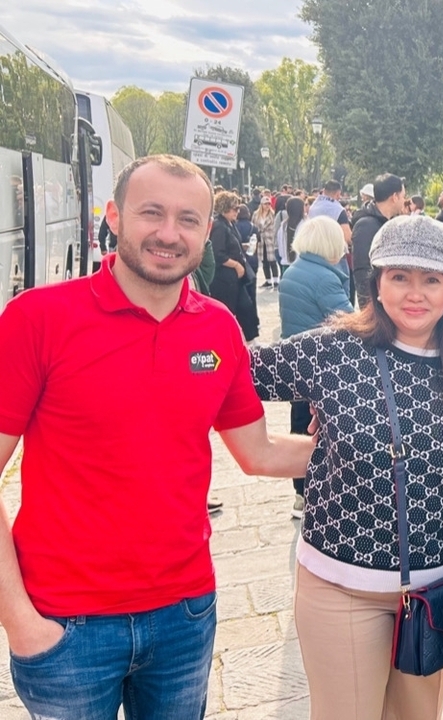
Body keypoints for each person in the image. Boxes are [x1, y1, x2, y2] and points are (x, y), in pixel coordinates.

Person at [0, 154, 314, 720]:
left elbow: (260, 453)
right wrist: (19, 620)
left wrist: (368, 447)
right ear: (115, 216)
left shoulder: (217, 327)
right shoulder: (37, 319)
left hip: (184, 615)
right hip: (64, 625)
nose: (169, 234)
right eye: (152, 213)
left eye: (189, 220)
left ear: (206, 231)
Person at [250, 214, 443, 720]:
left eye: (431, 279)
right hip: (341, 588)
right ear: (376, 282)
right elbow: (237, 375)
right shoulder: (333, 350)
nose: (415, 293)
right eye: (399, 276)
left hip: (432, 596)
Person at [276, 216, 354, 519]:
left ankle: (300, 494)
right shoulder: (324, 277)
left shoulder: (294, 271)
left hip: (297, 364)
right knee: (320, 430)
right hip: (322, 365)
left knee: (298, 425)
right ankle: (321, 489)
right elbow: (348, 320)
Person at [209, 191, 260, 341]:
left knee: (246, 308)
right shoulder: (219, 225)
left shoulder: (229, 224)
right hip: (225, 278)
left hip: (235, 279)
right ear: (225, 208)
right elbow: (217, 253)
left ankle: (247, 340)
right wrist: (236, 265)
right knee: (232, 310)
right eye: (234, 208)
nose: (237, 211)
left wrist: (242, 247)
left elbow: (230, 244)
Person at [351, 173, 406, 309]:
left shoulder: (386, 223)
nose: (404, 201)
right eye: (403, 196)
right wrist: (370, 310)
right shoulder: (366, 225)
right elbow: (363, 271)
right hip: (375, 307)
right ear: (395, 197)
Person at [253, 198, 280, 287]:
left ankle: (276, 280)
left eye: (268, 204)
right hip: (260, 239)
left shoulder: (273, 214)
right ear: (261, 205)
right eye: (265, 204)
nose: (267, 206)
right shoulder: (256, 215)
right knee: (264, 261)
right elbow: (253, 225)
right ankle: (268, 280)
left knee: (272, 260)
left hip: (270, 238)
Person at [277, 196, 306, 272]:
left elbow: (280, 247)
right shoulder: (305, 225)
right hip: (302, 266)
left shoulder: (283, 225)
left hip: (286, 265)